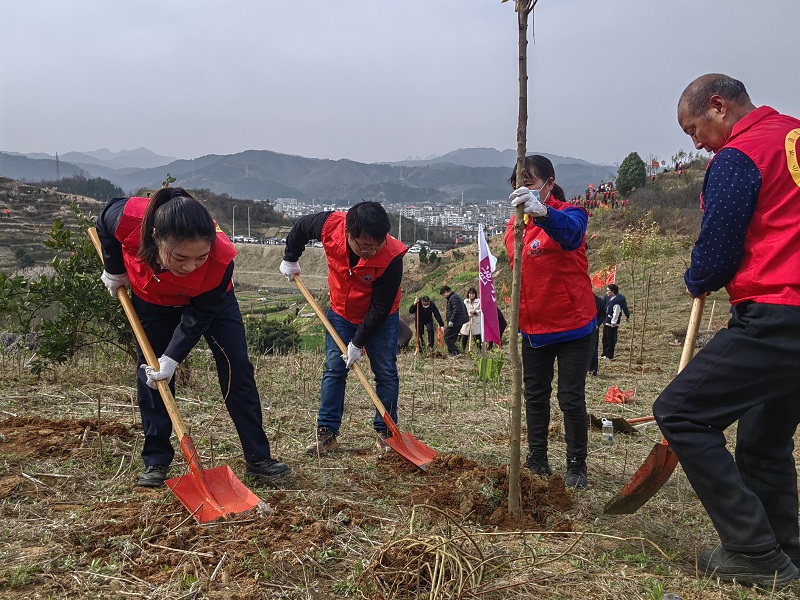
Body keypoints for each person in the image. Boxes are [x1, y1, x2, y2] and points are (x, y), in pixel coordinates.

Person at [653, 74, 800, 585]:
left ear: (718, 107)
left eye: (694, 128)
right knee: (764, 439)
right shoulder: (794, 136)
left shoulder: (741, 155)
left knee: (680, 411)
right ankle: (787, 550)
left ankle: (753, 551)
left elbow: (716, 252)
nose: (694, 142)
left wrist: (699, 277)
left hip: (778, 309)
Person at [95, 187, 291, 488]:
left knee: (236, 367)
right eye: (180, 258)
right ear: (156, 237)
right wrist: (115, 269)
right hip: (153, 302)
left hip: (211, 304)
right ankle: (156, 461)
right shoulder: (130, 218)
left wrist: (173, 357)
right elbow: (104, 223)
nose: (189, 267)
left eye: (200, 258)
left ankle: (258, 458)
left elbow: (199, 317)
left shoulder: (222, 259)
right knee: (151, 375)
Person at [279, 201, 407, 454]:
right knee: (334, 370)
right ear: (349, 234)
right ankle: (326, 434)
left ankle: (386, 433)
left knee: (386, 372)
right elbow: (301, 227)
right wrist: (290, 258)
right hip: (340, 312)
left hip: (381, 318)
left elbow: (380, 308)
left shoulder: (392, 257)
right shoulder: (329, 226)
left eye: (377, 244)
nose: (372, 250)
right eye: (365, 245)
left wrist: (357, 343)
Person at [504, 155, 597, 490]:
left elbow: (571, 235)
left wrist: (543, 214)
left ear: (549, 182)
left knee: (570, 398)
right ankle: (537, 458)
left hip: (573, 325)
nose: (523, 188)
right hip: (533, 329)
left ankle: (577, 465)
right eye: (518, 183)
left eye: (529, 182)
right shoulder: (514, 229)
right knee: (535, 395)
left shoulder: (570, 214)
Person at [601, 284, 629, 360]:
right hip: (607, 322)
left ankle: (609, 355)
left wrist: (613, 322)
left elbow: (616, 313)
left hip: (611, 324)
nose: (607, 292)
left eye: (608, 291)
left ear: (612, 291)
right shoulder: (609, 299)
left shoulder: (616, 301)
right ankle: (604, 353)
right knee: (605, 339)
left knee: (610, 340)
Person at [438, 286, 468, 356]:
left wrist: (452, 321)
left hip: (456, 322)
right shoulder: (452, 298)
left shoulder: (453, 298)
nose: (443, 296)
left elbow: (456, 310)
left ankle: (456, 352)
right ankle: (452, 353)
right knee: (452, 338)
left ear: (445, 292)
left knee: (447, 337)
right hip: (457, 321)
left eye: (443, 294)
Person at [586, 292, 606, 376]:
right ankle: (586, 368)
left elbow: (603, 314)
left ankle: (593, 369)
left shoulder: (599, 300)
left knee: (593, 348)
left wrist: (597, 324)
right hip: (581, 329)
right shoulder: (581, 298)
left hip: (593, 328)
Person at [459, 287, 482, 351]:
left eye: (473, 294)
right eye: (470, 293)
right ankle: (463, 349)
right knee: (465, 336)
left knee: (477, 336)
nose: (471, 295)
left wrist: (475, 312)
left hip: (476, 320)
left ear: (475, 294)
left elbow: (481, 310)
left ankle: (479, 350)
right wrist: (469, 314)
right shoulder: (465, 301)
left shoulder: (479, 301)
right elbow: (463, 310)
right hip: (467, 321)